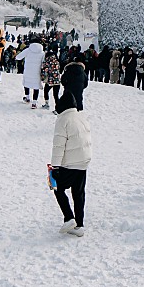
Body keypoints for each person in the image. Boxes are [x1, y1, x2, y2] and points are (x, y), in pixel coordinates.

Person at [50, 88, 92, 235]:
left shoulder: (63, 119)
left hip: (70, 163)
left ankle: (69, 217)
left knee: (57, 188)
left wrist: (55, 166)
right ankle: (79, 225)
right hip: (83, 161)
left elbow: (59, 145)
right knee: (78, 193)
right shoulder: (82, 117)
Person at [17, 38, 45, 108]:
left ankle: (27, 98)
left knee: (27, 83)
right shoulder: (42, 52)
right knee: (36, 87)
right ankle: (34, 103)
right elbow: (43, 62)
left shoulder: (28, 50)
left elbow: (18, 57)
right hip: (37, 72)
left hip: (28, 71)